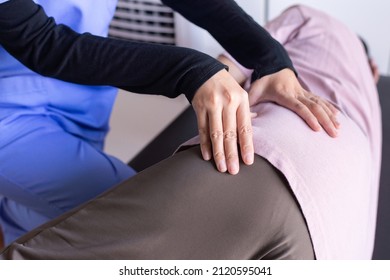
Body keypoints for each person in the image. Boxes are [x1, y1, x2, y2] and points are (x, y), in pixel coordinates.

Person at [0, 4, 381, 260]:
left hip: (81, 100)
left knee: (28, 220)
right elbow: (40, 42)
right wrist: (191, 71)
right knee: (128, 225)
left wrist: (271, 59)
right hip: (9, 116)